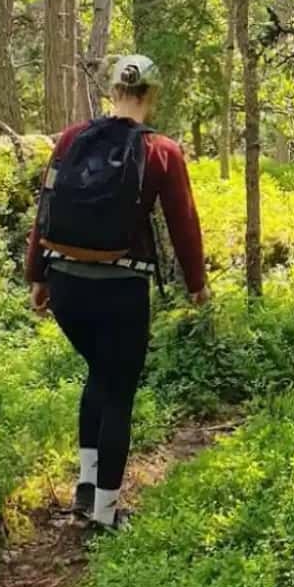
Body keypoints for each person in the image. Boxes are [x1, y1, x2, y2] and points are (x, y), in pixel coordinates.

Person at [25, 55, 209, 531]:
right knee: (118, 391)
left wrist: (38, 276)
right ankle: (106, 514)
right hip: (122, 290)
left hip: (65, 285)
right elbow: (183, 222)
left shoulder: (70, 139)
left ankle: (86, 490)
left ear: (112, 92)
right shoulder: (162, 151)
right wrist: (197, 284)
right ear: (151, 95)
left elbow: (45, 207)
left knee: (98, 377)